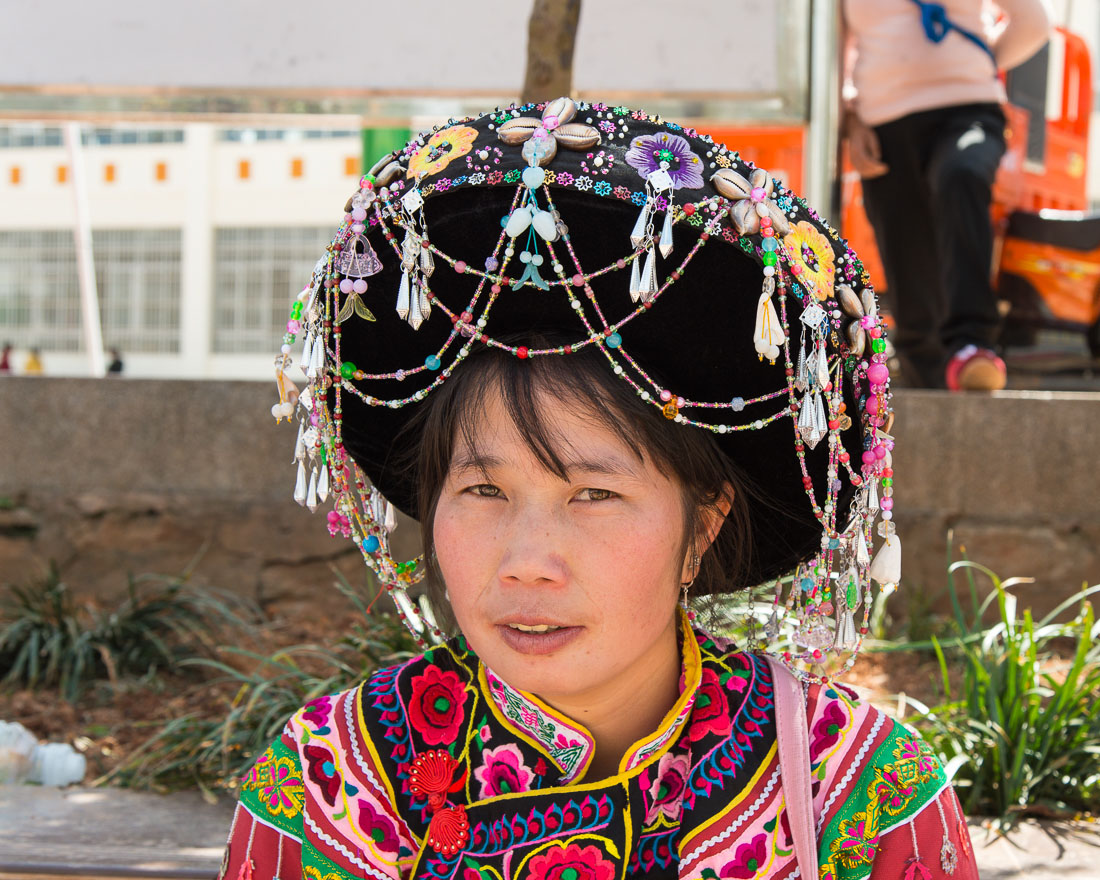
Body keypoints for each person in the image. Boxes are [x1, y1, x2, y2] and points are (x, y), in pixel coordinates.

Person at [219, 100, 977, 880]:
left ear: (704, 525)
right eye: (482, 489)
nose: (527, 562)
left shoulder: (853, 795)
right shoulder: (329, 787)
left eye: (594, 495)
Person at [842, 0, 1052, 390]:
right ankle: (927, 372)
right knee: (909, 258)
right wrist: (850, 118)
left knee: (962, 175)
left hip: (967, 110)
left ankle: (972, 343)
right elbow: (832, 47)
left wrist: (982, 59)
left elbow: (1033, 21)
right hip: (883, 127)